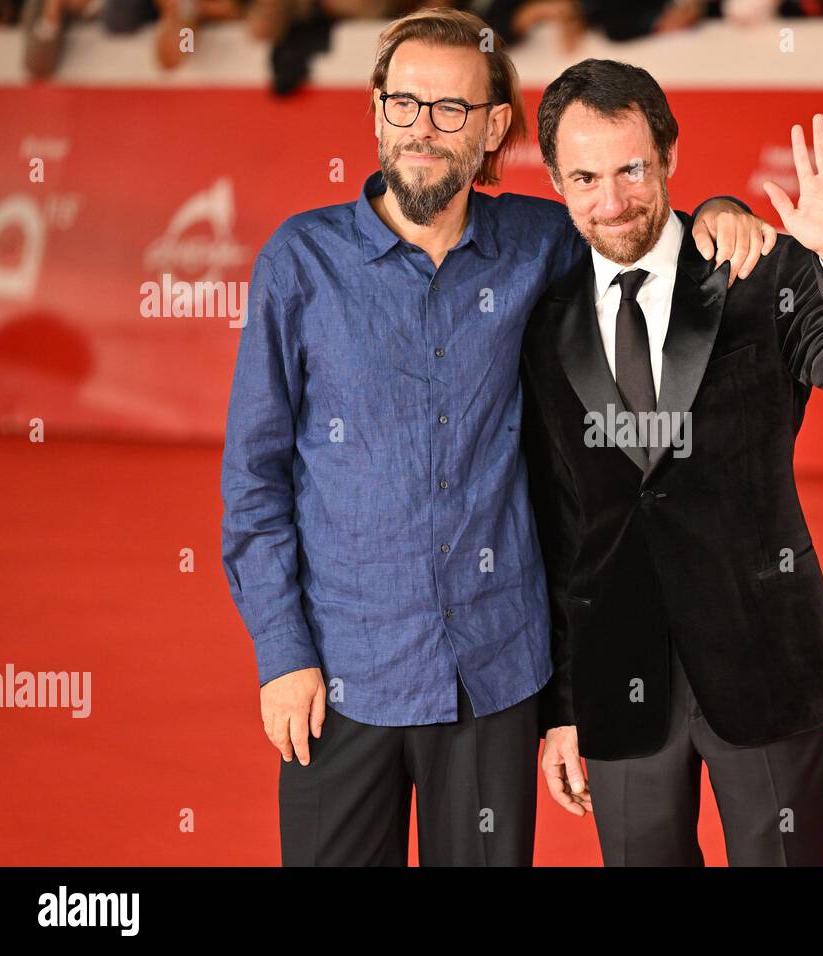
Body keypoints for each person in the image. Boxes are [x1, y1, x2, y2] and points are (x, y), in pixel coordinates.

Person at [220, 8, 765, 866]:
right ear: (374, 112)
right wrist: (282, 652)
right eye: (405, 105)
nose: (424, 131)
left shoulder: (541, 246)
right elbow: (254, 480)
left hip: (495, 681)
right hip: (344, 678)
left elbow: (631, 226)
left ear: (494, 128)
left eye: (452, 111)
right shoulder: (301, 263)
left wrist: (721, 211)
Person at [522, 58, 823, 865]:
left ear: (668, 154)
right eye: (584, 177)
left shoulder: (756, 270)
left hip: (761, 657)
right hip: (618, 684)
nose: (612, 200)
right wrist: (560, 706)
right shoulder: (543, 320)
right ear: (556, 180)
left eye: (631, 168)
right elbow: (562, 527)